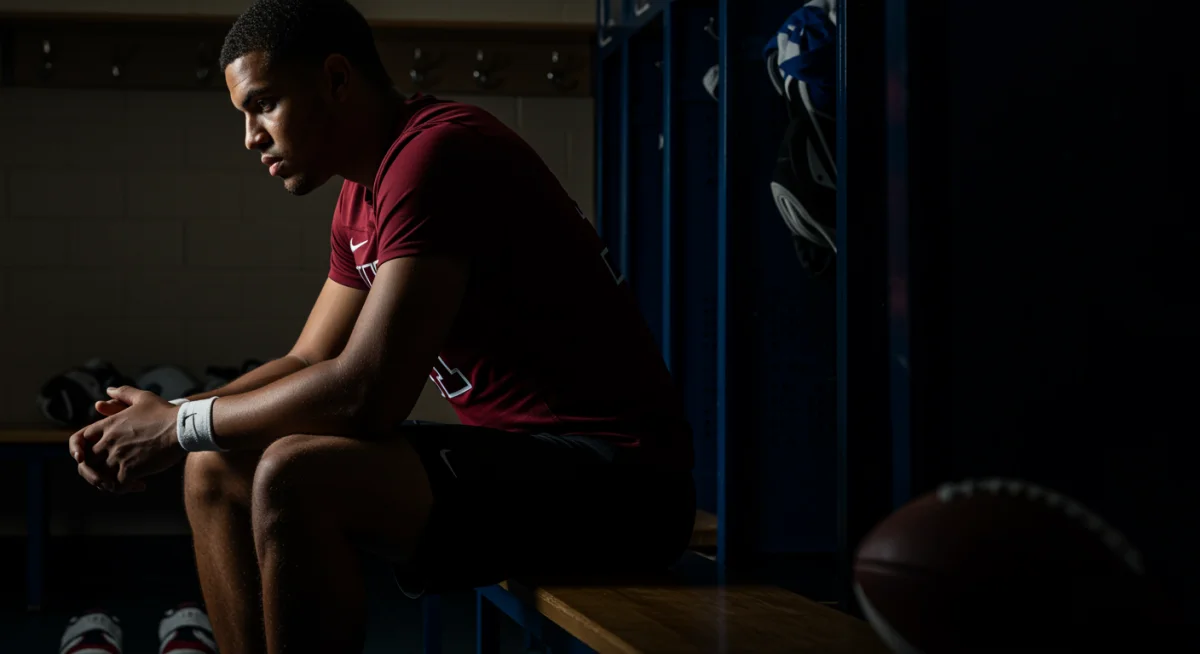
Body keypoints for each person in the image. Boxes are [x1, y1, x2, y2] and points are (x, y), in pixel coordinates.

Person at [66, 1, 696, 652]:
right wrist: (173, 417)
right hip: (527, 466)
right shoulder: (360, 196)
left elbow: (366, 395)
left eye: (264, 104)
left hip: (623, 488)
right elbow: (312, 358)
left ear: (337, 80)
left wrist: (178, 425)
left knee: (293, 474)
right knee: (215, 467)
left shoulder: (437, 154)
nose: (251, 135)